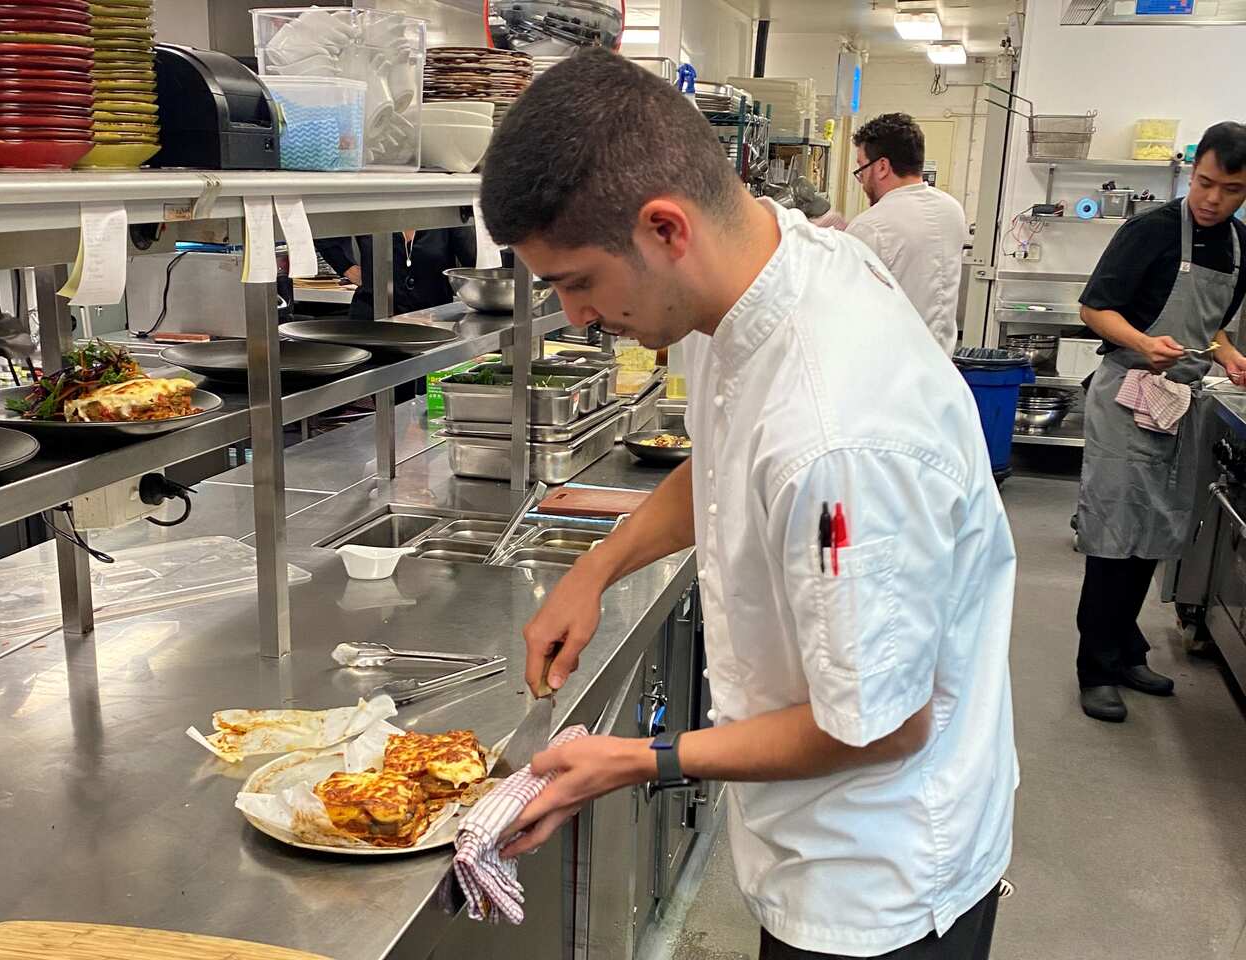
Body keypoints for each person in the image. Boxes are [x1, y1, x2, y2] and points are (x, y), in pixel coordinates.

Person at [481, 49, 1018, 960]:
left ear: (664, 228)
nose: (574, 316)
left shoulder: (840, 436)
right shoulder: (759, 269)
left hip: (880, 884)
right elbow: (727, 459)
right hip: (813, 834)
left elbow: (885, 726)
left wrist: (640, 759)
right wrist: (595, 568)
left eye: (576, 281)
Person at [1073, 121, 1246, 723]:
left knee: (1154, 528)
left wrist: (1226, 354)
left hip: (1179, 401)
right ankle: (1095, 668)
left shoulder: (1239, 248)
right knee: (1115, 529)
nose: (1213, 199)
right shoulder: (1149, 231)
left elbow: (1213, 323)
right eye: (1205, 183)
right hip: (1129, 391)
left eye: (1230, 189)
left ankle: (1125, 652)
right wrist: (1144, 343)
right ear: (1193, 172)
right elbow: (1094, 308)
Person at [844, 113, 968, 355]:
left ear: (882, 166)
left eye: (861, 168)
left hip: (891, 368)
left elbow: (847, 308)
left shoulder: (870, 226)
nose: (862, 180)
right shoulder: (951, 209)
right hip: (941, 362)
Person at [316, 227, 477, 322]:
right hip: (372, 323)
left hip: (433, 322)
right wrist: (346, 266)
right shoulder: (372, 203)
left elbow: (475, 262)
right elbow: (325, 226)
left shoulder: (444, 209)